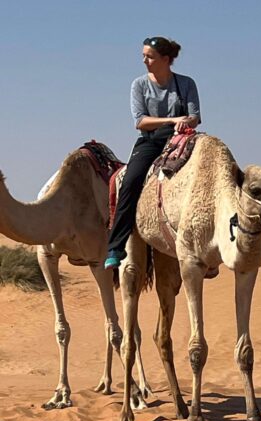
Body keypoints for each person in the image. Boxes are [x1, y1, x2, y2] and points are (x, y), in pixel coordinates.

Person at [104, 36, 200, 269]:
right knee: (130, 181)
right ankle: (115, 247)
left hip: (181, 138)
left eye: (149, 56)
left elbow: (195, 117)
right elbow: (140, 122)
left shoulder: (186, 83)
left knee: (205, 175)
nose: (144, 60)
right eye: (144, 55)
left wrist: (185, 121)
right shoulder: (139, 85)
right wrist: (172, 119)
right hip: (151, 141)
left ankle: (204, 244)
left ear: (165, 59)